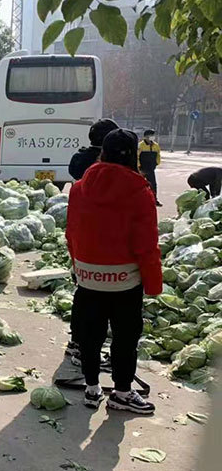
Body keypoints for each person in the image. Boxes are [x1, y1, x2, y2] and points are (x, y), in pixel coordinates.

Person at [67, 129, 162, 415]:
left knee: (90, 335)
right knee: (125, 338)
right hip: (124, 281)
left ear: (103, 152)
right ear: (133, 156)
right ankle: (121, 393)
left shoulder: (79, 188)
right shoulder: (140, 192)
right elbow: (147, 245)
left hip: (88, 277)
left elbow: (72, 233)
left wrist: (78, 266)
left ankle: (92, 388)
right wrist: (154, 284)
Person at [65, 118, 119, 363]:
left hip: (82, 238)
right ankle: (92, 350)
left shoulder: (80, 163)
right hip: (109, 244)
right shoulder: (117, 168)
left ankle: (77, 342)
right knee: (108, 300)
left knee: (84, 293)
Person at [138, 129, 162, 206]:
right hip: (142, 168)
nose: (152, 137)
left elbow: (158, 155)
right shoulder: (140, 145)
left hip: (151, 168)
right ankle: (137, 200)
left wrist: (156, 163)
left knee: (153, 184)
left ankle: (154, 200)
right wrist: (139, 166)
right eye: (150, 136)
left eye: (153, 136)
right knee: (139, 184)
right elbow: (137, 156)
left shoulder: (156, 145)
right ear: (145, 137)